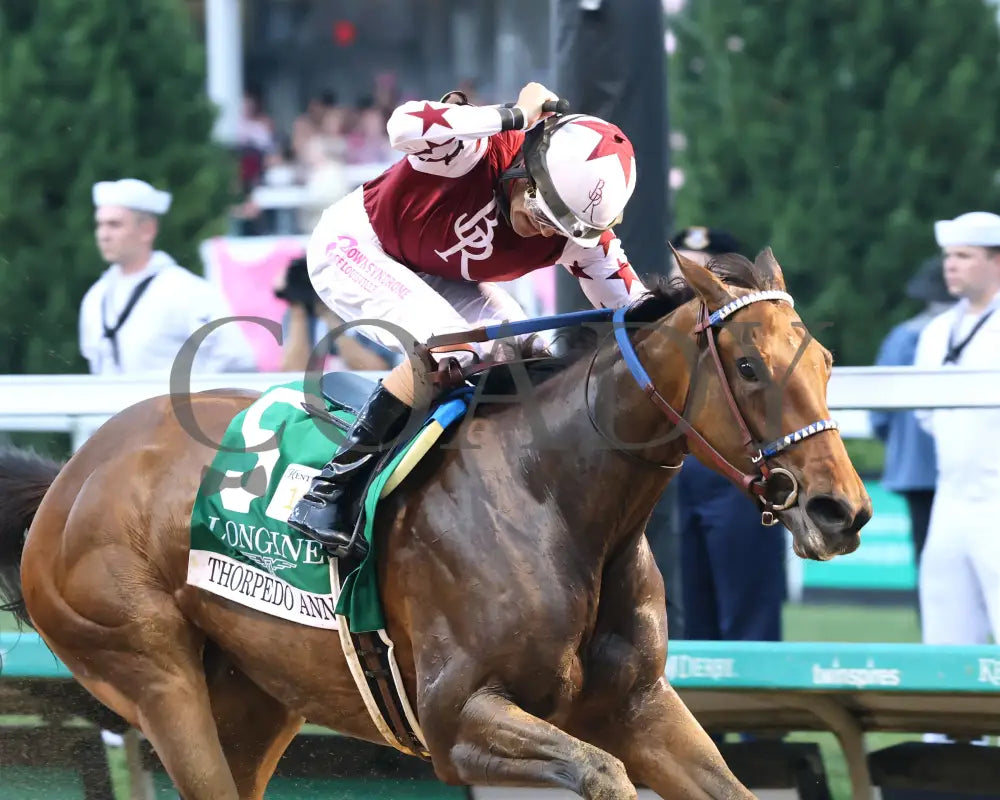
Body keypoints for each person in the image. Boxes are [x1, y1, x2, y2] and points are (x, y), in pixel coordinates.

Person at [286, 81, 645, 557]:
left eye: (559, 229)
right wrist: (511, 115)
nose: (541, 232)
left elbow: (640, 320)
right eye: (541, 213)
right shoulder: (475, 150)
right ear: (524, 168)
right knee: (451, 344)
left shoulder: (583, 241)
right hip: (354, 245)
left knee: (528, 355)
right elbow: (404, 124)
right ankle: (331, 492)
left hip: (429, 270)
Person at [667, 226, 787, 643]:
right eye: (683, 264)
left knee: (748, 607)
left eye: (703, 269)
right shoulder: (663, 333)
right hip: (676, 478)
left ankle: (758, 706)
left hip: (742, 475)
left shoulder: (754, 334)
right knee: (685, 609)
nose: (689, 277)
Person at [915, 211, 1000, 646]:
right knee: (945, 636)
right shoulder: (936, 331)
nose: (951, 265)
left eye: (965, 256)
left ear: (996, 262)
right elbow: (925, 414)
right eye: (949, 256)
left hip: (996, 498)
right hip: (951, 499)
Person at [79, 179, 256, 374]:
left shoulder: (185, 290)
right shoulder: (96, 297)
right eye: (100, 224)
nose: (103, 234)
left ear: (147, 230)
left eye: (115, 224)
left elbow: (236, 359)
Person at [870, 256, 954, 587]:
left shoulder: (901, 337)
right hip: (974, 471)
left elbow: (880, 414)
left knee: (929, 560)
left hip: (916, 469)